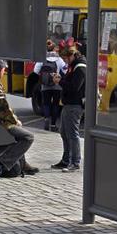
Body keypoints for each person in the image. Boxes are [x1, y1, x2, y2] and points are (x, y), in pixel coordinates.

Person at [0, 59, 39, 183]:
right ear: (0, 69)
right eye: (4, 69)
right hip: (0, 123)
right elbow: (3, 108)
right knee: (28, 137)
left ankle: (22, 164)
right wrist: (15, 121)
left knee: (15, 171)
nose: (4, 72)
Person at [54, 39, 87, 172]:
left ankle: (75, 162)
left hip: (75, 104)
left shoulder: (80, 67)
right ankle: (66, 159)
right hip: (68, 104)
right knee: (63, 132)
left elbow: (74, 87)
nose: (65, 61)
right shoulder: (74, 65)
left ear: (72, 55)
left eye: (66, 58)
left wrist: (60, 81)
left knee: (72, 133)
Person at [33, 40, 66, 131]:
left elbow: (35, 71)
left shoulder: (42, 58)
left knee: (46, 103)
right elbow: (65, 70)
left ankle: (46, 118)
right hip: (57, 85)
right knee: (55, 104)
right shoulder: (59, 59)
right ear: (55, 49)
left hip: (45, 85)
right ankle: (53, 125)